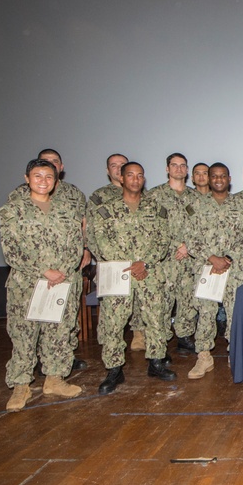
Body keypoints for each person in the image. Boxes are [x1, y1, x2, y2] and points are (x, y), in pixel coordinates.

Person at [0, 158, 85, 411]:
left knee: (58, 332)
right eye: (37, 176)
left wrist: (62, 272)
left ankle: (54, 379)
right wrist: (44, 271)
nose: (43, 181)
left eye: (49, 177)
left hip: (61, 281)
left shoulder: (66, 210)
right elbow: (12, 250)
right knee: (24, 336)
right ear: (27, 179)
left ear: (56, 181)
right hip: (27, 284)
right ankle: (21, 386)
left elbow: (75, 246)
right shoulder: (12, 210)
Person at [87, 161, 175, 394]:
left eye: (139, 176)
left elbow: (163, 240)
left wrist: (144, 263)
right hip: (118, 273)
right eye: (130, 175)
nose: (135, 180)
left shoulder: (156, 208)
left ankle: (156, 362)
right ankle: (114, 369)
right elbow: (98, 241)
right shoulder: (105, 210)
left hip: (149, 272)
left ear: (143, 180)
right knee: (114, 323)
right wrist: (129, 265)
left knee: (156, 319)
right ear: (121, 179)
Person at [186, 162, 243, 379]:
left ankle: (234, 353)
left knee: (234, 311)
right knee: (205, 312)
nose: (218, 179)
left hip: (233, 267)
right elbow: (190, 237)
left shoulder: (242, 206)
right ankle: (203, 357)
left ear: (229, 179)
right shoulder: (196, 206)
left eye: (222, 176)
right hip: (207, 268)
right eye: (214, 176)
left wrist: (227, 258)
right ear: (209, 179)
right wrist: (212, 259)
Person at [147, 152, 201, 353]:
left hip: (190, 258)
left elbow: (201, 227)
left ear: (187, 170)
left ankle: (184, 336)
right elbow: (151, 228)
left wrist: (188, 246)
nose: (179, 168)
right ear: (167, 169)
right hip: (165, 260)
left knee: (188, 299)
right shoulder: (154, 196)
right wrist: (177, 244)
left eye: (183, 165)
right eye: (174, 165)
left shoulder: (196, 198)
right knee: (163, 302)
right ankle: (160, 343)